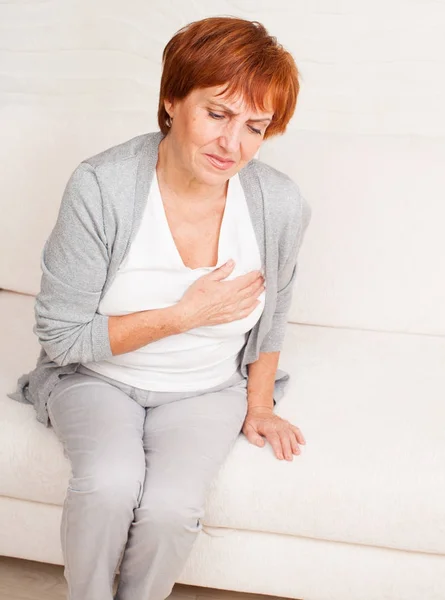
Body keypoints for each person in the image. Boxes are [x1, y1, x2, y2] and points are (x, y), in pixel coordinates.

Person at [7, 15, 312, 600]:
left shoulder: (279, 203)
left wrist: (259, 401)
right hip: (96, 378)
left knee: (172, 508)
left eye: (255, 126)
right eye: (217, 113)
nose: (233, 144)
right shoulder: (103, 185)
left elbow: (276, 310)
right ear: (172, 100)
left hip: (205, 388)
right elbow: (64, 336)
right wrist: (185, 314)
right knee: (109, 485)